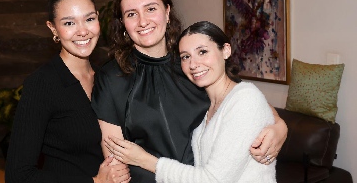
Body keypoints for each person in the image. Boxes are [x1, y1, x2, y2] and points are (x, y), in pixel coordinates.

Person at [91, 0, 286, 182]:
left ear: (167, 12)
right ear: (123, 23)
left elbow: (240, 98)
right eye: (131, 14)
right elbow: (115, 163)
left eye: (150, 9)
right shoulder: (112, 76)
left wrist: (280, 126)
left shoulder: (192, 63)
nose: (142, 21)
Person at [105, 20, 276, 182]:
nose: (193, 64)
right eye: (185, 57)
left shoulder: (245, 99)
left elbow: (213, 180)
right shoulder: (207, 104)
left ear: (225, 50)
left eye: (202, 52)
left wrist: (145, 160)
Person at [5, 0, 130, 183]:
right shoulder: (42, 85)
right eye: (69, 23)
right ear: (53, 28)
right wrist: (94, 182)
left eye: (89, 19)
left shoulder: (107, 77)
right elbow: (18, 175)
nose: (83, 31)